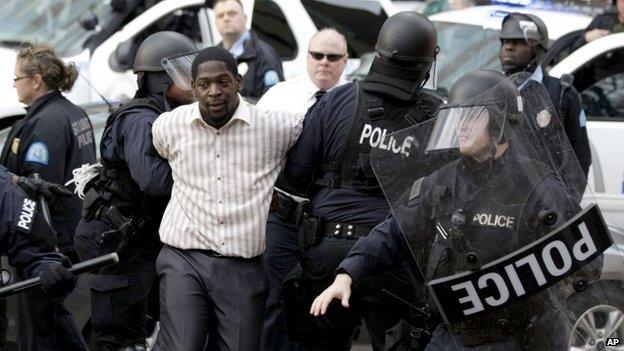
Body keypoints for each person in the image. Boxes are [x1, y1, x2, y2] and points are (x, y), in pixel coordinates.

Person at [310, 70, 598, 350]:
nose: (460, 125)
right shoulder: (443, 181)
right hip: (455, 331)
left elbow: (585, 264)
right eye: (457, 115)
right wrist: (347, 274)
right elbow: (392, 232)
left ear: (500, 121)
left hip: (518, 336)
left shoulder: (540, 187)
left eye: (471, 115)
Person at [281, 12, 442, 351]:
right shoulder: (437, 116)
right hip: (391, 254)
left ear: (379, 53)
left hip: (327, 246)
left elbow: (296, 175)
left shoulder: (336, 100)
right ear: (428, 62)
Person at [150, 46, 303, 351]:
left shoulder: (277, 128)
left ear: (239, 82)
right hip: (184, 258)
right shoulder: (168, 126)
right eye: (204, 85)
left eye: (223, 82)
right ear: (192, 88)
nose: (214, 92)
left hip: (242, 266)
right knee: (183, 346)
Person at [72, 31, 197, 351]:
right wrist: (200, 173)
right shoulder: (141, 120)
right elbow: (153, 180)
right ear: (160, 79)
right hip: (118, 241)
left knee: (140, 327)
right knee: (118, 339)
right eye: (184, 74)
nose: (192, 83)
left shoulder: (161, 116)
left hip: (136, 241)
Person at [255, 27, 349, 351]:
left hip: (331, 222)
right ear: (307, 56)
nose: (324, 62)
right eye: (317, 55)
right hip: (284, 217)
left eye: (332, 57)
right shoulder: (280, 95)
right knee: (274, 301)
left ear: (345, 60)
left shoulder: (355, 102)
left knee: (322, 308)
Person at [0, 42, 95, 351]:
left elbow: (36, 191)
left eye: (17, 78)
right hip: (71, 239)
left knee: (41, 333)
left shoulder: (44, 124)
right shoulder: (75, 112)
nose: (14, 85)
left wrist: (38, 253)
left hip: (48, 246)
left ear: (36, 79)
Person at [499, 12, 591, 178]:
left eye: (518, 42)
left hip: (548, 197)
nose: (508, 47)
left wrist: (567, 201)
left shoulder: (563, 95)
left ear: (537, 49)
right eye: (505, 41)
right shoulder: (492, 89)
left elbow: (580, 156)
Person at [214, 0, 284, 99]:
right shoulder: (212, 56)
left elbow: (273, 102)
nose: (226, 18)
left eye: (232, 13)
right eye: (220, 16)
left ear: (245, 18)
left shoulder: (265, 55)